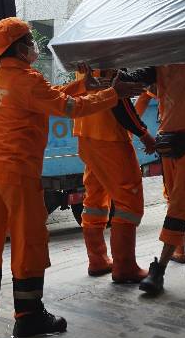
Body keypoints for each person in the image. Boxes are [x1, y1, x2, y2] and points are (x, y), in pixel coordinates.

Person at [0, 18, 139, 337]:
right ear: (20, 48)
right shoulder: (26, 80)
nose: (35, 46)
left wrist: (84, 85)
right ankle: (29, 314)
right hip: (17, 170)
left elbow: (49, 96)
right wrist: (111, 94)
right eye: (31, 42)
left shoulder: (2, 77)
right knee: (28, 239)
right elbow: (69, 108)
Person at [117, 62, 185, 295]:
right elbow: (139, 77)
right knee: (181, 201)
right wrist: (117, 75)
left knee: (180, 202)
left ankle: (159, 269)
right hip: (169, 136)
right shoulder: (163, 56)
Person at [63, 67, 156, 283]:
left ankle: (98, 260)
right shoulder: (109, 50)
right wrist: (143, 133)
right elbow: (119, 100)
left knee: (95, 197)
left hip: (86, 133)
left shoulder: (86, 46)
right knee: (129, 202)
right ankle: (124, 266)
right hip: (109, 136)